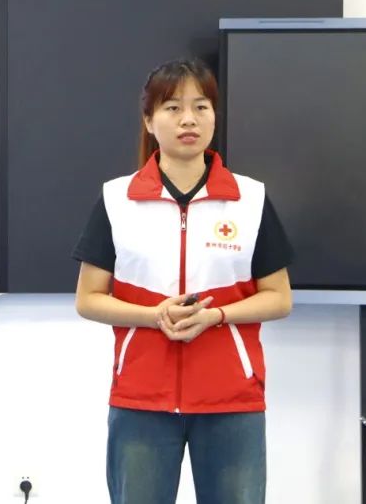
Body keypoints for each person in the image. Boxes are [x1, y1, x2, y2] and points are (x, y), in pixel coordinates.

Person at [72, 58, 293, 504]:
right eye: (172, 107)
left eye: (201, 107)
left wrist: (216, 316)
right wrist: (154, 315)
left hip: (232, 399)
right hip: (141, 399)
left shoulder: (250, 198)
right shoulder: (117, 199)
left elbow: (279, 297)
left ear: (214, 116)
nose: (188, 119)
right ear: (149, 120)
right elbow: (89, 299)